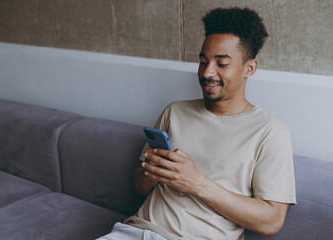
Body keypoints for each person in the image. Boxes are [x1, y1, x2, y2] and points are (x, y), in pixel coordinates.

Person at [98, 7, 296, 240]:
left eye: (221, 64)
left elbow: (272, 222)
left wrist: (196, 183)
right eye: (203, 61)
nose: (207, 72)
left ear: (249, 69)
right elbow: (138, 187)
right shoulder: (175, 111)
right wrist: (152, 173)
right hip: (137, 231)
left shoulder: (271, 131)